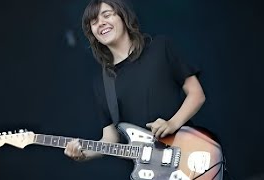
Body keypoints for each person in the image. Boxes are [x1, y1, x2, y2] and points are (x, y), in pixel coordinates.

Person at [65, 0, 205, 164]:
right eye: (93, 22)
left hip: (189, 156)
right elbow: (111, 137)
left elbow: (197, 94)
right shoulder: (103, 83)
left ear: (123, 16)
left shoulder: (160, 48)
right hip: (150, 170)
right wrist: (84, 153)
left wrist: (172, 123)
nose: (100, 23)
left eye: (106, 15)